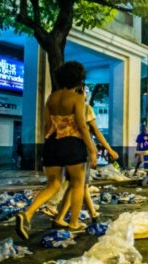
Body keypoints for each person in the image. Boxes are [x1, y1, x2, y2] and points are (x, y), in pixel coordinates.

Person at [16, 61, 97, 240]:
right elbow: (82, 126)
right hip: (72, 144)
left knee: (53, 184)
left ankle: (27, 214)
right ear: (78, 78)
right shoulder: (76, 98)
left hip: (51, 143)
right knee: (77, 184)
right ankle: (74, 222)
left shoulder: (51, 98)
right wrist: (92, 149)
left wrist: (48, 145)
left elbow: (47, 125)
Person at [53, 89, 119, 227]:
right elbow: (95, 131)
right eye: (85, 91)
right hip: (81, 151)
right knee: (77, 185)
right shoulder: (85, 108)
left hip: (67, 149)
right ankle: (62, 218)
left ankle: (93, 214)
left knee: (81, 185)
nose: (86, 94)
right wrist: (109, 149)